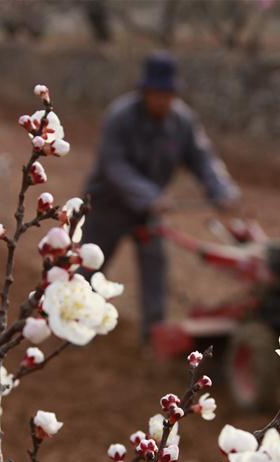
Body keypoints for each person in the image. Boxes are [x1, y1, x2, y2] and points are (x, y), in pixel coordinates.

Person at [82, 51, 240, 343]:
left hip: (147, 213)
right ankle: (76, 325)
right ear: (144, 91)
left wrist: (221, 190)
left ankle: (151, 337)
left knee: (155, 271)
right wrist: (148, 194)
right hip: (106, 207)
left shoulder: (183, 121)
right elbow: (113, 165)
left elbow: (202, 158)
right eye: (157, 94)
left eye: (168, 94)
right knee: (89, 266)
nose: (163, 101)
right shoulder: (119, 117)